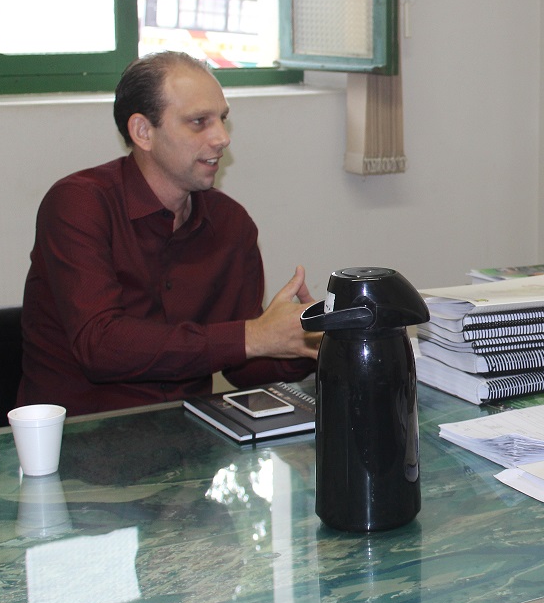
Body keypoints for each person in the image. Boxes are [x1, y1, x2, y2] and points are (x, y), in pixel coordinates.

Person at [18, 51, 319, 416]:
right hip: (78, 446)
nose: (222, 138)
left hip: (192, 440)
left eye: (222, 120)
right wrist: (252, 336)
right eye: (198, 122)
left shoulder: (230, 223)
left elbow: (242, 367)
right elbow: (100, 345)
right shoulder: (79, 204)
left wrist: (302, 341)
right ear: (143, 132)